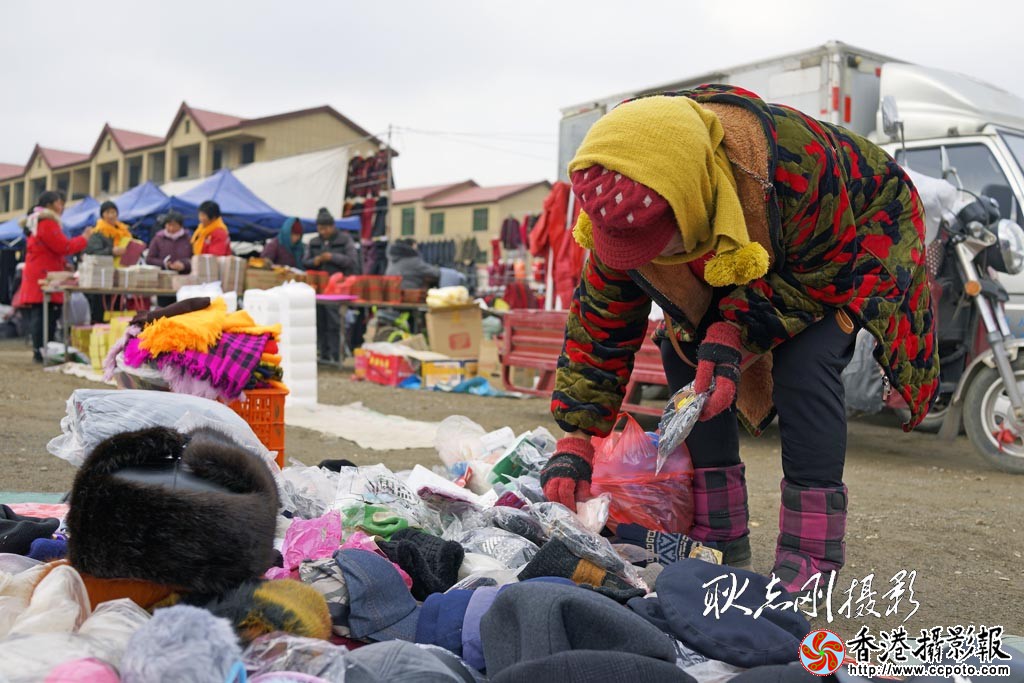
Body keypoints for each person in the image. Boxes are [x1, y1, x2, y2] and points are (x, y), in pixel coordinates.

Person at [540, 87, 938, 594]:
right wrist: (577, 438)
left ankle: (810, 556)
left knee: (804, 361)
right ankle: (722, 535)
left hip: (852, 239)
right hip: (761, 248)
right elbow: (601, 326)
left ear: (691, 198)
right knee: (682, 348)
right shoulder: (620, 212)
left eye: (659, 242)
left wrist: (733, 336)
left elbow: (821, 276)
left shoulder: (794, 165)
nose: (648, 256)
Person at [19, 190, 92, 363]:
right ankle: (42, 351)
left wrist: (61, 263)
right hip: (44, 274)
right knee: (45, 314)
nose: (63, 207)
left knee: (43, 314)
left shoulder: (37, 221)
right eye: (60, 203)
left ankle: (43, 350)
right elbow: (63, 246)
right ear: (50, 204)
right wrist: (84, 238)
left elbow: (50, 249)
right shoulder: (47, 222)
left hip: (42, 271)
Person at [303, 208, 359, 362]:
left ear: (333, 226)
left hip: (337, 291)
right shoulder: (314, 242)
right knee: (319, 322)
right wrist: (315, 261)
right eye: (320, 229)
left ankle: (336, 355)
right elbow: (305, 262)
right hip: (318, 289)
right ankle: (323, 353)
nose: (323, 231)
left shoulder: (345, 240)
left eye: (326, 228)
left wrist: (333, 257)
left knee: (334, 323)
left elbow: (352, 261)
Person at [84, 200, 133, 322]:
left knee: (117, 312)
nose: (111, 215)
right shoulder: (97, 233)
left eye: (114, 212)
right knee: (100, 313)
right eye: (108, 212)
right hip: (100, 279)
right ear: (102, 215)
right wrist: (112, 251)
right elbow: (93, 252)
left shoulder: (124, 232)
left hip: (119, 278)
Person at [146, 210, 192, 307]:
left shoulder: (188, 239)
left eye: (174, 225)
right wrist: (164, 264)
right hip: (163, 282)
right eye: (168, 225)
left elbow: (195, 259)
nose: (171, 228)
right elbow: (149, 259)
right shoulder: (158, 239)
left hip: (183, 282)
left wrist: (184, 265)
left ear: (180, 226)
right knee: (164, 310)